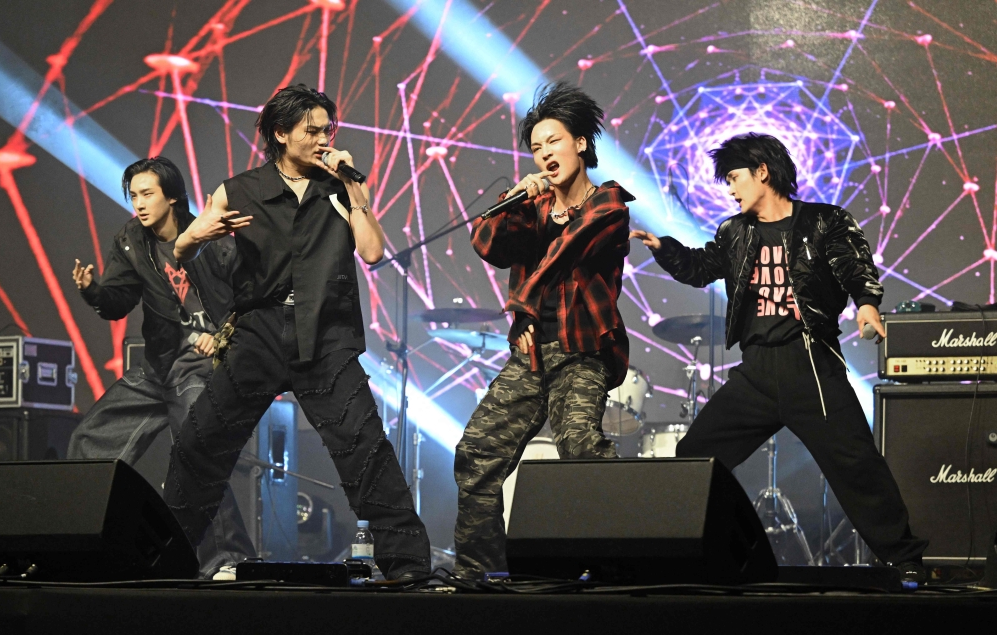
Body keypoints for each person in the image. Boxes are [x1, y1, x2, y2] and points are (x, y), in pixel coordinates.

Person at [631, 132, 928, 581]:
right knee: (696, 459)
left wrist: (867, 303)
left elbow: (855, 267)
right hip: (756, 373)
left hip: (811, 367)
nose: (730, 189)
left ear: (762, 172)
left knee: (858, 467)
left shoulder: (824, 222)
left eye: (734, 178)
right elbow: (702, 267)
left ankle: (906, 560)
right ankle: (701, 557)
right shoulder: (734, 233)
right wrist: (664, 250)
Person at [165, 84, 430, 580]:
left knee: (364, 447)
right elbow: (185, 251)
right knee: (200, 444)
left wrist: (357, 195)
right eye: (312, 130)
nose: (323, 138)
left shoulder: (338, 188)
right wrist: (192, 237)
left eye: (328, 128)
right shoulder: (237, 190)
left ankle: (408, 565)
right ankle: (166, 560)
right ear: (281, 133)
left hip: (326, 335)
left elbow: (372, 253)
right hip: (259, 333)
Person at [453, 82, 632, 579]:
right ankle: (480, 573)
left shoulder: (609, 206)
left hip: (582, 353)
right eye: (535, 146)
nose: (544, 153)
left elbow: (565, 252)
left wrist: (523, 304)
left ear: (580, 143)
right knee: (476, 453)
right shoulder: (531, 207)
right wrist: (513, 199)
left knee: (580, 447)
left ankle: (622, 565)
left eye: (553, 141)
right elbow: (486, 244)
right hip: (531, 358)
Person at [68, 156, 255, 579]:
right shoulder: (132, 240)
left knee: (195, 449)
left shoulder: (210, 234)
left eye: (147, 193)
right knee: (89, 439)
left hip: (202, 365)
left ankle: (228, 559)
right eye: (133, 195)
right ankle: (84, 547)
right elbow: (118, 302)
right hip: (159, 364)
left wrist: (223, 333)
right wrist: (93, 291)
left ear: (172, 195)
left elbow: (250, 296)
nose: (139, 203)